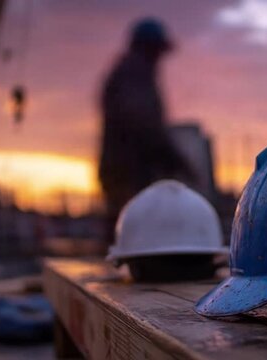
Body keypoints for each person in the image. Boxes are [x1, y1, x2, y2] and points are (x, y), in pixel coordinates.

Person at [98, 18, 196, 251]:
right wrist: (177, 161)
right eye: (157, 51)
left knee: (129, 237)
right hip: (127, 174)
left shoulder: (130, 73)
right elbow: (143, 124)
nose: (160, 58)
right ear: (148, 48)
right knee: (131, 237)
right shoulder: (133, 74)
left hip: (126, 172)